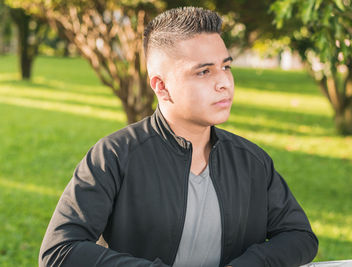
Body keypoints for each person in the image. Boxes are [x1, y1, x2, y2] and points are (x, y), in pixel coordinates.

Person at [39, 6, 318, 267]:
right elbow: (59, 250)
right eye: (204, 71)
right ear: (161, 87)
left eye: (226, 66)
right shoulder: (114, 155)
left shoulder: (252, 161)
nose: (224, 82)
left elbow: (299, 236)